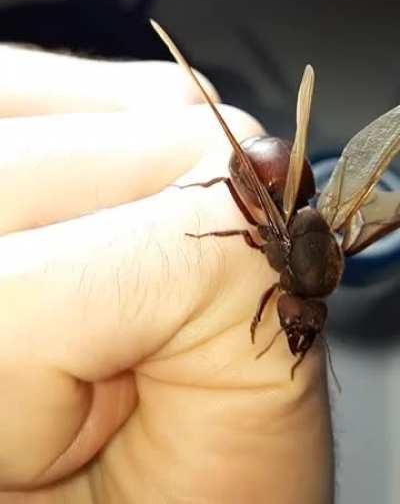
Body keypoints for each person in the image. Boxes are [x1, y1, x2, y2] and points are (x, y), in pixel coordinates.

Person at [0, 43, 334, 503]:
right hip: (263, 170)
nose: (297, 331)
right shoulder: (278, 242)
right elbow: (244, 230)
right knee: (223, 189)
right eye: (302, 322)